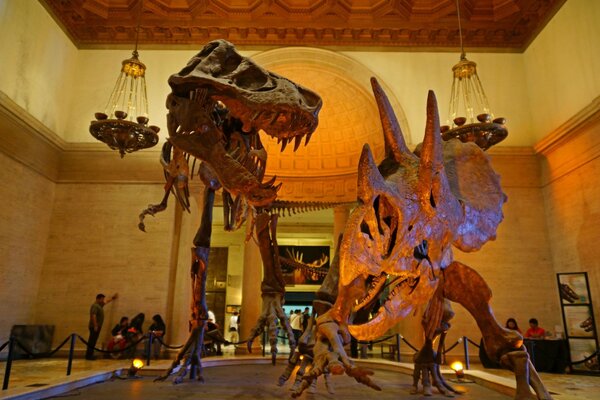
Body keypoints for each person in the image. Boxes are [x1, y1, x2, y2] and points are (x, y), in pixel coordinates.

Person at [86, 292, 118, 360]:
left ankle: (90, 354)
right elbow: (93, 315)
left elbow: (106, 302)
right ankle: (89, 356)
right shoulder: (95, 306)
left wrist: (112, 298)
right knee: (92, 341)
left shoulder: (99, 305)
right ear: (98, 299)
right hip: (94, 326)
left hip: (97, 326)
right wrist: (95, 325)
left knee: (93, 341)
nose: (103, 300)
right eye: (102, 299)